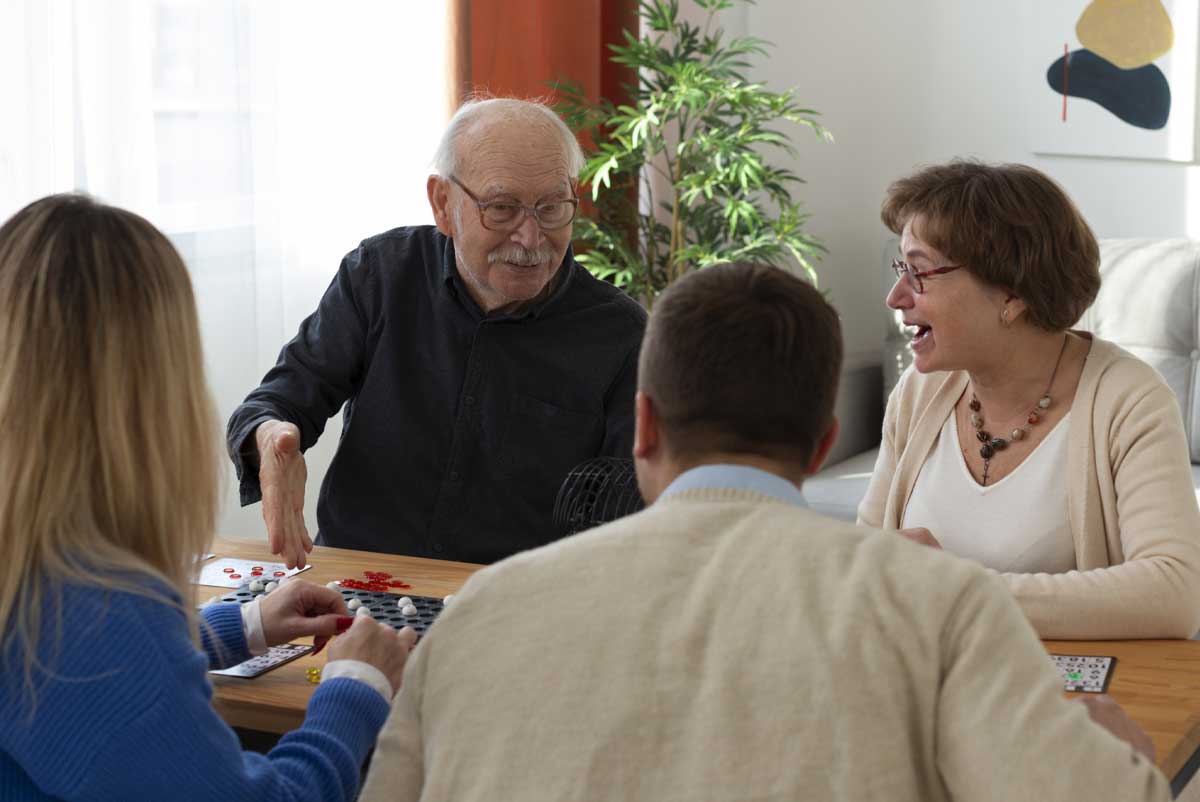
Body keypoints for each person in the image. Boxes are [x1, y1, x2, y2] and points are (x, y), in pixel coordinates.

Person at [358, 262, 1169, 802]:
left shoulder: (483, 612)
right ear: (822, 442)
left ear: (643, 426)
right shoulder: (943, 610)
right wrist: (1125, 754)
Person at [0, 194, 417, 802]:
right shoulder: (92, 620)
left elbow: (93, 693)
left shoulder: (41, 588)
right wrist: (356, 686)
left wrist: (243, 626)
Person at [227, 97, 647, 569]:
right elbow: (274, 403)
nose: (531, 238)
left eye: (551, 207)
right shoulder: (380, 276)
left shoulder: (620, 335)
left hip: (506, 602)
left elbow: (625, 524)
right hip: (357, 584)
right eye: (503, 208)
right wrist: (271, 437)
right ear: (443, 203)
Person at [859, 159, 1200, 640]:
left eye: (918, 272)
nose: (896, 297)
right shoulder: (919, 392)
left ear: (1012, 294)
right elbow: (866, 563)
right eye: (902, 268)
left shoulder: (1129, 400)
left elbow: (1174, 594)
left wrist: (960, 592)